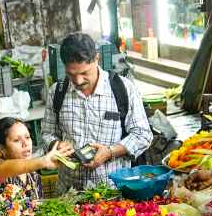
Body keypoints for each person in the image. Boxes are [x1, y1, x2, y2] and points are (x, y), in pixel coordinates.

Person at [41, 32, 152, 192]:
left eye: (84, 73)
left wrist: (109, 152)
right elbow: (47, 133)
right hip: (69, 192)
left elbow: (143, 135)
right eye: (71, 74)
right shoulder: (57, 92)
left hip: (114, 192)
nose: (78, 81)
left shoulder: (123, 89)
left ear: (97, 59)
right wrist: (56, 144)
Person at [0, 117, 73, 198]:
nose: (25, 144)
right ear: (2, 148)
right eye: (16, 140)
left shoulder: (33, 176)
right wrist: (43, 161)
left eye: (27, 137)